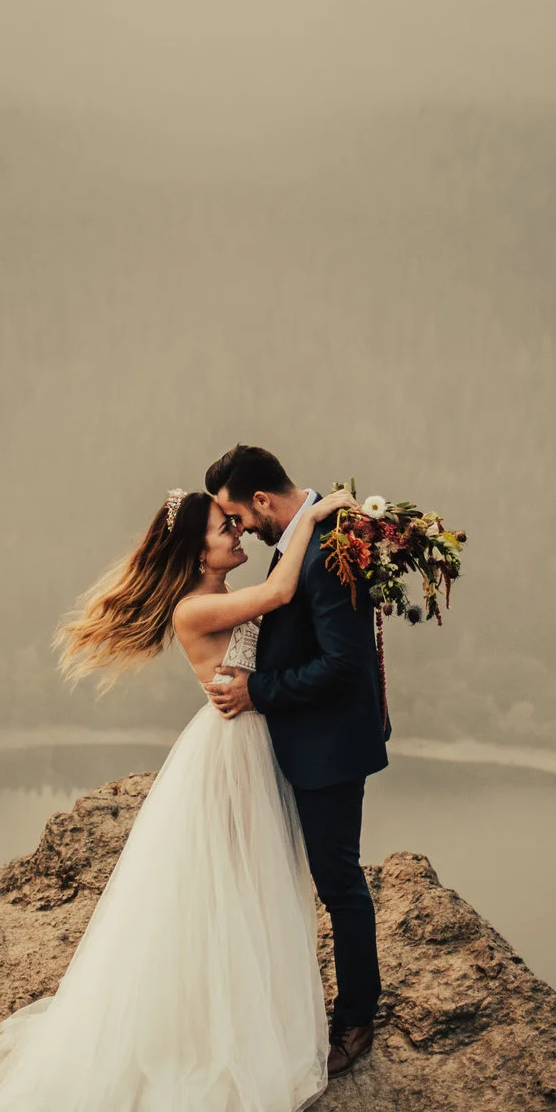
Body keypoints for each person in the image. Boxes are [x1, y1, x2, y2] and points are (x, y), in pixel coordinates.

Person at [0, 479, 355, 1112]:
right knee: (227, 893)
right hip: (228, 755)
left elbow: (277, 605)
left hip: (247, 744)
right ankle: (215, 1025)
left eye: (236, 523)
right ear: (196, 550)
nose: (237, 533)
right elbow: (282, 593)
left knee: (243, 891)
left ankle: (232, 1005)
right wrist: (314, 515)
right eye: (225, 528)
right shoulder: (195, 606)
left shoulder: (215, 593)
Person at [202, 443, 390, 1079]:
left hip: (329, 748)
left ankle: (357, 1019)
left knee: (339, 883)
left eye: (239, 516)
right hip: (302, 743)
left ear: (261, 500)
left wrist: (257, 691)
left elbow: (343, 665)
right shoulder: (302, 540)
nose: (240, 529)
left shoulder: (325, 549)